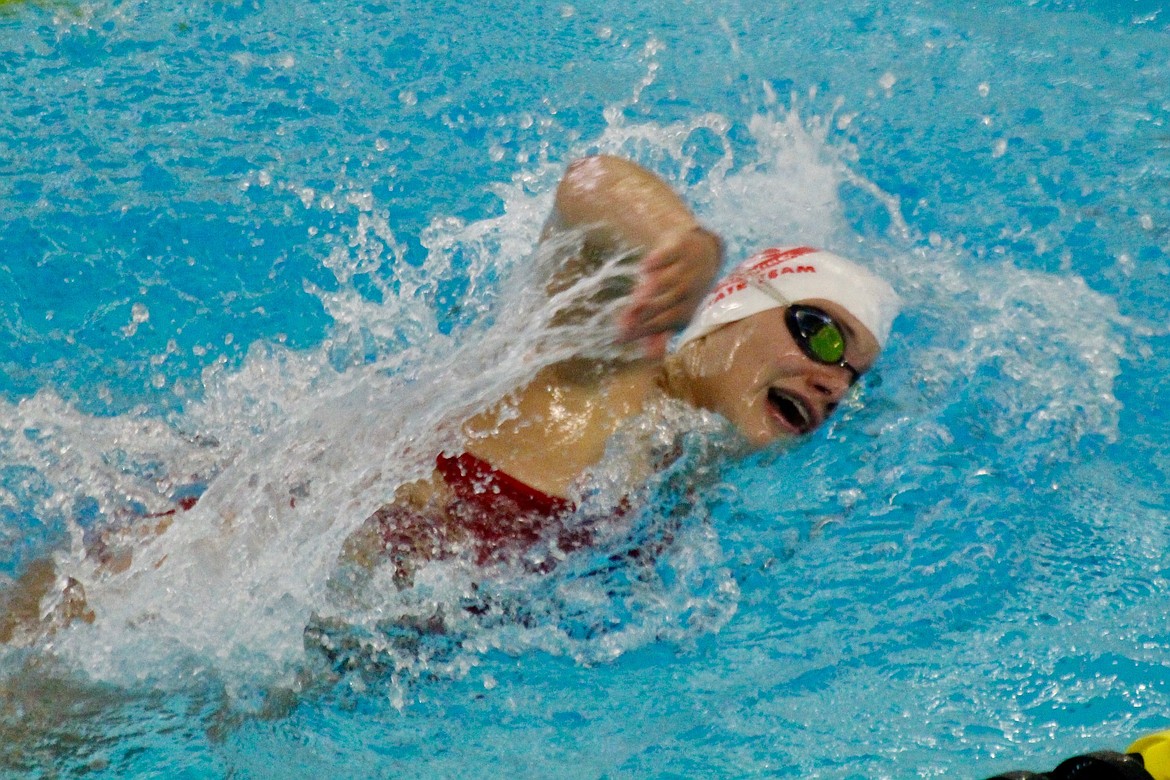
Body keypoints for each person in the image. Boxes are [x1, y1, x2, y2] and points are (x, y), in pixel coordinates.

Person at [1, 154, 899, 640]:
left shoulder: (680, 465)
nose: (832, 378)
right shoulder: (607, 362)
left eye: (852, 374)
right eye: (817, 332)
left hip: (261, 658)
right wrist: (691, 246)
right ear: (736, 309)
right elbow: (589, 185)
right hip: (135, 607)